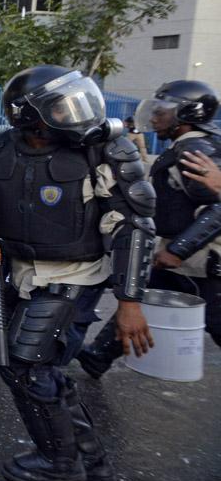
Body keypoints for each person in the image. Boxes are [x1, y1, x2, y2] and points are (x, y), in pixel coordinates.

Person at [0, 65, 155, 481]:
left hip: (74, 274)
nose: (78, 113)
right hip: (12, 274)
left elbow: (135, 228)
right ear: (26, 114)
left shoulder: (106, 151)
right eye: (63, 107)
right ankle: (89, 459)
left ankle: (61, 462)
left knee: (29, 366)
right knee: (21, 366)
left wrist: (129, 302)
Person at [78, 80, 221, 379]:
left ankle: (98, 355)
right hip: (180, 258)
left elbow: (217, 208)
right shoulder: (187, 146)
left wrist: (178, 249)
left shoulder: (195, 151)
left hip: (202, 262)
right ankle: (98, 355)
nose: (155, 117)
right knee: (137, 299)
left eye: (162, 111)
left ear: (187, 114)